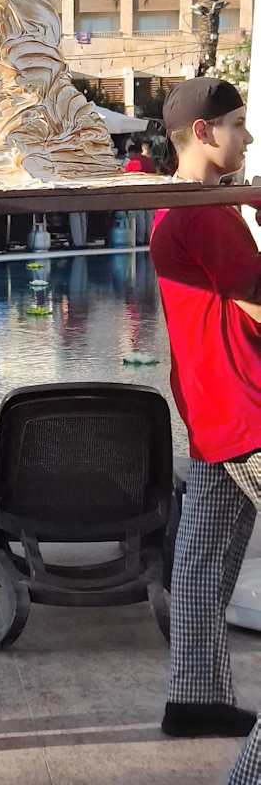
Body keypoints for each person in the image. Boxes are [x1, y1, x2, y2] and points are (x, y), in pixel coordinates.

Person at [150, 77, 261, 781]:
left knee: (201, 562)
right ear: (203, 132)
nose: (247, 137)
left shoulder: (174, 207)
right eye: (238, 124)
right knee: (202, 560)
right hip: (249, 411)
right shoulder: (205, 213)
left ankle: (196, 698)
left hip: (214, 409)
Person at [124, 143, 154, 245]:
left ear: (133, 152)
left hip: (138, 193)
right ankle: (150, 239)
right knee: (149, 218)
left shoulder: (132, 162)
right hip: (150, 192)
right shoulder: (149, 161)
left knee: (140, 217)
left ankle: (140, 240)